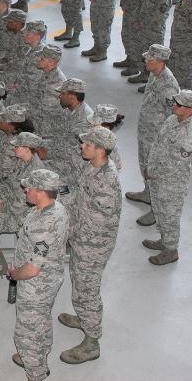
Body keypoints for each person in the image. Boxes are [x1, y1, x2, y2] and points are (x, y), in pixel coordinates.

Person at [59, 127, 121, 365]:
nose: (81, 147)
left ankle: (92, 341)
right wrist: (59, 196)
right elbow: (80, 197)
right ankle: (84, 318)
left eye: (86, 145)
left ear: (101, 150)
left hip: (93, 244)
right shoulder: (92, 166)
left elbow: (96, 224)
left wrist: (66, 232)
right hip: (82, 239)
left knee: (87, 290)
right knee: (79, 281)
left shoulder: (107, 181)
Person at [10, 167, 69, 381]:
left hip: (36, 285)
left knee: (26, 333)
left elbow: (32, 269)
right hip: (49, 278)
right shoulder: (52, 207)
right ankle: (38, 356)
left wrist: (15, 273)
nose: (25, 190)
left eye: (29, 188)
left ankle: (35, 371)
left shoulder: (45, 223)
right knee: (41, 320)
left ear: (42, 191)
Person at [143, 89, 192, 265]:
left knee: (170, 215)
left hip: (172, 183)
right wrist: (150, 167)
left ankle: (171, 250)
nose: (174, 106)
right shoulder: (172, 120)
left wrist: (153, 172)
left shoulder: (189, 137)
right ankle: (164, 240)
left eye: (179, 104)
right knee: (160, 211)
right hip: (157, 178)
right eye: (175, 102)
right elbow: (158, 145)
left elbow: (176, 165)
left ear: (190, 110)